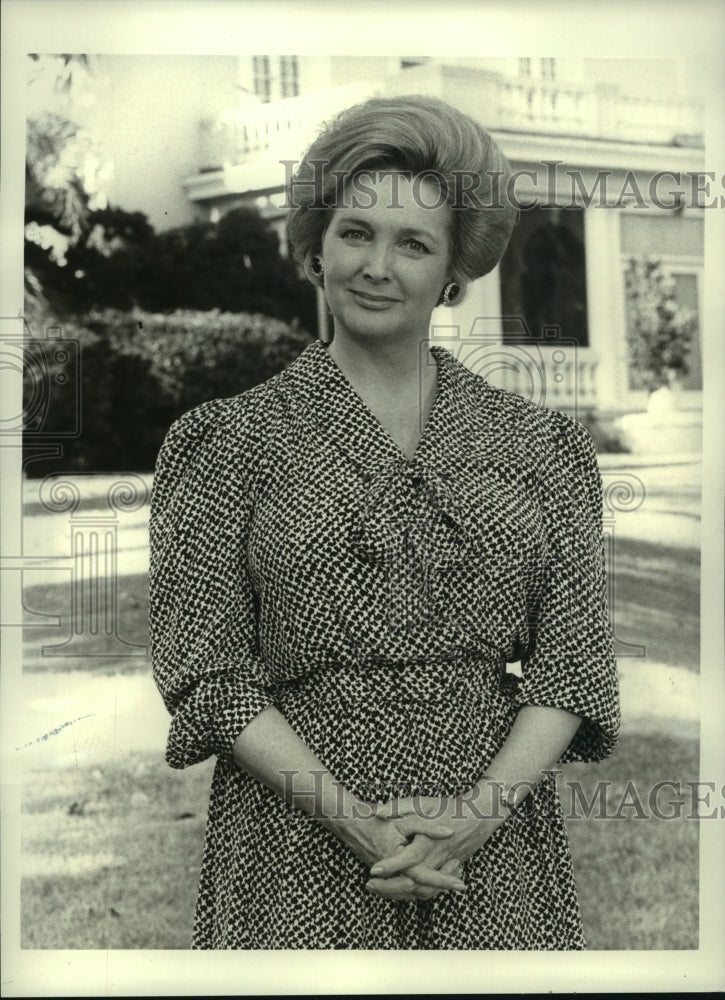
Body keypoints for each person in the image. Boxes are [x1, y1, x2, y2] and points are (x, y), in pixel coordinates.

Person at [149, 94, 620, 950]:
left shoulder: (541, 448)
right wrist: (356, 821)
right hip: (293, 839)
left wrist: (473, 818)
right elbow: (207, 673)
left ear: (451, 275)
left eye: (412, 244)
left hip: (491, 840)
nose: (377, 265)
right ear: (314, 251)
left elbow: (573, 667)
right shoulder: (226, 443)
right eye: (355, 233)